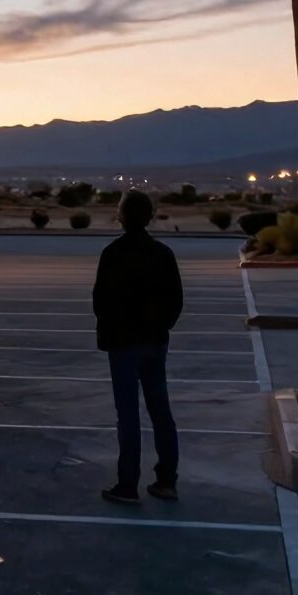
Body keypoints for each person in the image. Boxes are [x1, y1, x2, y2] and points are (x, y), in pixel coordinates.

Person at [92, 189, 183, 503]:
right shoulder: (162, 254)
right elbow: (175, 300)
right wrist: (161, 326)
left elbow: (100, 300)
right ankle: (167, 480)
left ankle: (128, 484)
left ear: (122, 216)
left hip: (123, 344)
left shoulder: (113, 253)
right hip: (154, 342)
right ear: (150, 216)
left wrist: (111, 331)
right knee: (161, 410)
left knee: (128, 414)